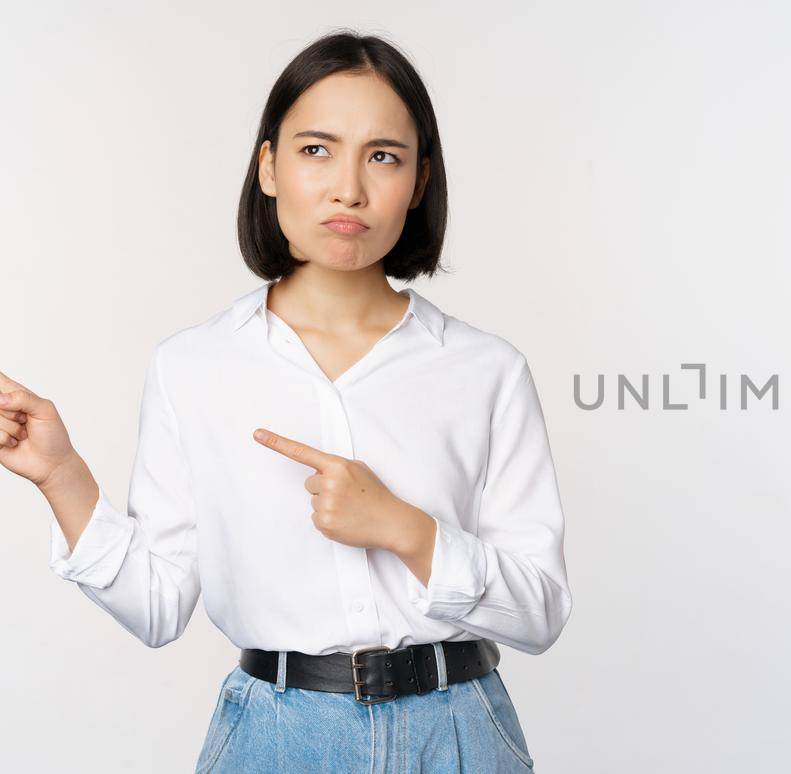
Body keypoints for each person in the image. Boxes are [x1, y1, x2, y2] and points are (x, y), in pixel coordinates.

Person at [0, 30, 572, 773]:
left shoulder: (485, 370)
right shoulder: (193, 367)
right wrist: (61, 475)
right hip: (275, 740)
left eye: (384, 156)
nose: (349, 189)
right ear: (268, 166)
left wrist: (405, 529)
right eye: (316, 150)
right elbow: (156, 608)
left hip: (459, 733)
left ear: (420, 181)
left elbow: (541, 614)